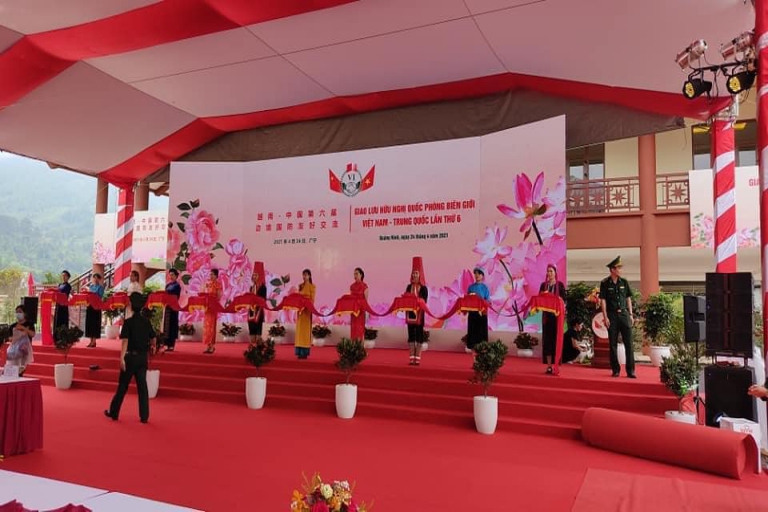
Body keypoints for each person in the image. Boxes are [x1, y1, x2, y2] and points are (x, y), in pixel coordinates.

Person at [104, 293, 156, 424]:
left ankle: (114, 412)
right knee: (142, 387)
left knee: (123, 386)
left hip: (131, 357)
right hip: (142, 358)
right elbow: (153, 337)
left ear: (131, 306)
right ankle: (144, 416)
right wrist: (153, 346)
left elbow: (125, 341)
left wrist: (121, 358)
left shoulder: (128, 322)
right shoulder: (146, 322)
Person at [600, 256, 636, 378]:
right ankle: (615, 370)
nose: (620, 270)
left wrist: (631, 314)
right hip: (612, 316)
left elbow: (628, 298)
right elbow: (603, 300)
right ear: (612, 269)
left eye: (620, 267)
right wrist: (605, 317)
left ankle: (631, 371)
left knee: (629, 344)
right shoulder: (605, 283)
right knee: (613, 344)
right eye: (618, 267)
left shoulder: (624, 282)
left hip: (624, 315)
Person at [539, 264, 566, 374]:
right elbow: (540, 299)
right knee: (547, 341)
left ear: (555, 272)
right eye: (548, 271)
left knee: (556, 340)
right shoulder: (543, 285)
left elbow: (564, 300)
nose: (549, 273)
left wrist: (558, 299)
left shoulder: (560, 285)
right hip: (547, 317)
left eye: (551, 271)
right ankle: (549, 366)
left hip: (557, 317)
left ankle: (556, 365)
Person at [405, 257, 428, 366]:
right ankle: (411, 357)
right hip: (410, 314)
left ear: (420, 275)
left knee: (419, 335)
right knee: (410, 335)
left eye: (416, 273)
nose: (414, 275)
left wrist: (416, 300)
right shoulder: (408, 286)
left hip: (420, 315)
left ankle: (417, 357)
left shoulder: (423, 288)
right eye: (413, 273)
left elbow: (424, 301)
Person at [5, 305, 35, 376]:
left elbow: (32, 334)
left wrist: (23, 328)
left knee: (21, 369)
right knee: (13, 369)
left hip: (24, 350)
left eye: (20, 312)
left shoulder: (29, 324)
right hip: (14, 351)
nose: (18, 314)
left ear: (25, 313)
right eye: (17, 312)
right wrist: (16, 337)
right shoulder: (13, 326)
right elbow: (9, 338)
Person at [466, 268, 490, 351]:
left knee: (482, 331)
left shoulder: (485, 288)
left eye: (479, 274)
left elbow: (487, 300)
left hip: (482, 313)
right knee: (472, 330)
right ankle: (472, 347)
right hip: (473, 312)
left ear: (482, 276)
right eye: (475, 273)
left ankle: (483, 347)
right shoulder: (471, 287)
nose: (477, 275)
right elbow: (468, 299)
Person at [294, 269, 316, 359]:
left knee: (305, 332)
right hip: (300, 312)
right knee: (299, 332)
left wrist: (306, 303)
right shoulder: (300, 286)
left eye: (306, 275)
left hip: (307, 311)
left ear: (309, 276)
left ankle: (304, 353)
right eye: (303, 275)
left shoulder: (312, 286)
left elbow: (312, 300)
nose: (304, 277)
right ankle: (299, 352)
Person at [202, 268, 222, 354]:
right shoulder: (207, 284)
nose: (210, 276)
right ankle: (208, 345)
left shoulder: (218, 284)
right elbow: (203, 293)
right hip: (207, 308)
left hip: (213, 307)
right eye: (210, 274)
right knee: (206, 327)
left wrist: (213, 300)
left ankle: (212, 346)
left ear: (216, 276)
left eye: (212, 274)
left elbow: (219, 296)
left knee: (212, 327)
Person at [248, 262, 268, 345]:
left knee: (258, 332)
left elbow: (263, 300)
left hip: (258, 311)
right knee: (252, 334)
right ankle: (253, 348)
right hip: (251, 312)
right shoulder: (251, 287)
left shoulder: (263, 287)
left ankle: (260, 347)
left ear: (260, 276)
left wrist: (256, 301)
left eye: (256, 275)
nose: (254, 277)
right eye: (253, 275)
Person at [163, 268, 182, 352]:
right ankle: (166, 344)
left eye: (172, 275)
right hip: (167, 307)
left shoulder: (177, 286)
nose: (171, 276)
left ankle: (171, 345)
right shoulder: (167, 285)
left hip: (174, 307)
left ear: (176, 276)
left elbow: (176, 297)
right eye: (170, 275)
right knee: (167, 325)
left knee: (172, 325)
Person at [85, 273, 105, 348]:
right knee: (89, 323)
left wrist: (93, 295)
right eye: (94, 278)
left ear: (99, 279)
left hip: (96, 307)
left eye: (97, 278)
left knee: (95, 324)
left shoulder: (100, 287)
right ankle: (90, 341)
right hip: (90, 306)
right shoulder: (91, 286)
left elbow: (100, 296)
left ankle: (94, 341)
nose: (96, 279)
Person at [349, 267, 369, 341]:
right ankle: (353, 346)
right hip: (353, 311)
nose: (355, 276)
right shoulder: (352, 286)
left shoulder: (365, 286)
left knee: (360, 329)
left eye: (356, 274)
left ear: (361, 275)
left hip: (361, 311)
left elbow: (365, 301)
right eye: (354, 274)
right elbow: (350, 299)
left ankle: (361, 346)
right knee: (353, 328)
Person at [54, 270, 71, 340]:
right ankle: (56, 337)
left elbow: (65, 295)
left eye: (65, 276)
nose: (63, 277)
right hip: (58, 304)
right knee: (57, 320)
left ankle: (63, 338)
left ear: (68, 277)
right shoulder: (60, 285)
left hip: (63, 305)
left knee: (63, 321)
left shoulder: (68, 286)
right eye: (62, 275)